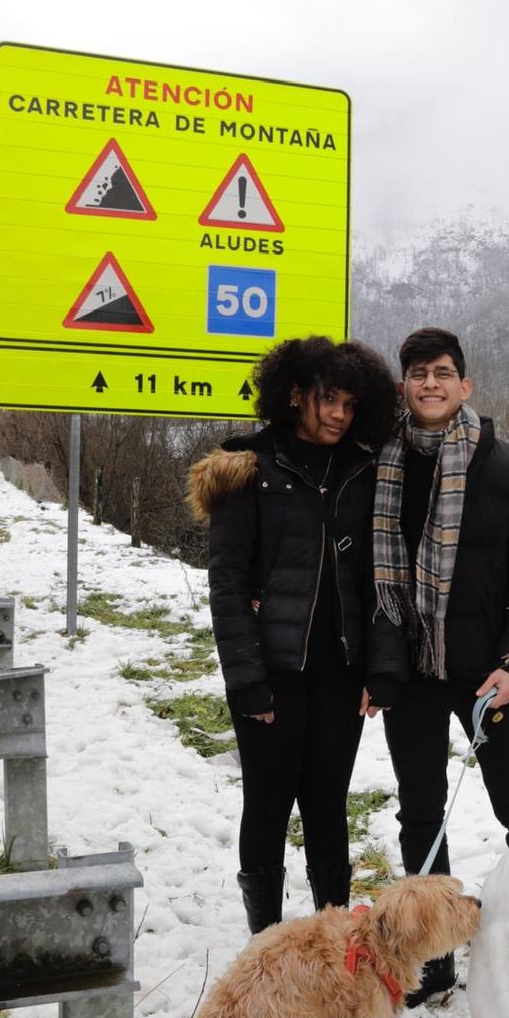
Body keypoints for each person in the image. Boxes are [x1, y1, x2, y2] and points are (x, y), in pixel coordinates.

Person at [367, 326, 509, 1004]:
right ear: (403, 386)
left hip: (489, 674)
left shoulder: (508, 468)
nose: (430, 384)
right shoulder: (380, 465)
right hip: (413, 673)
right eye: (417, 373)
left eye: (442, 373)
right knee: (420, 815)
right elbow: (368, 581)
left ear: (465, 385)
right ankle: (436, 961)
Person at [188, 335, 399, 936]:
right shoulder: (248, 468)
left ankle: (332, 940)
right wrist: (246, 679)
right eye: (327, 399)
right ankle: (269, 948)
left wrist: (382, 668)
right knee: (269, 805)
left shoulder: (362, 469)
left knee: (329, 807)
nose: (338, 414)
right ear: (295, 393)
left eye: (350, 404)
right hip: (270, 677)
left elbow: (379, 577)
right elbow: (227, 586)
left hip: (342, 675)